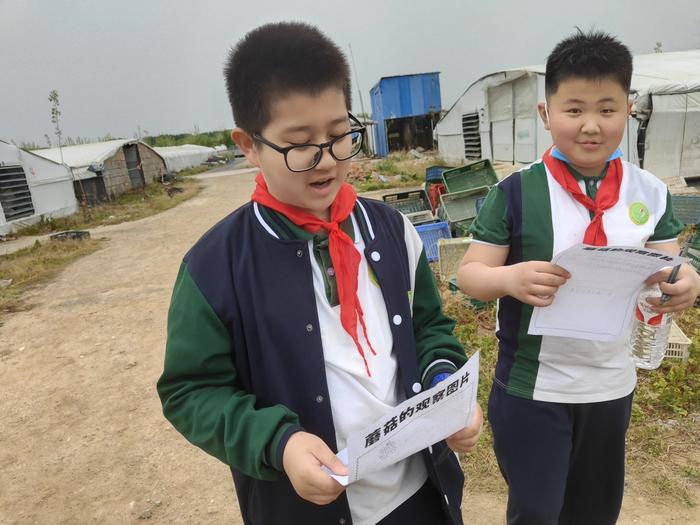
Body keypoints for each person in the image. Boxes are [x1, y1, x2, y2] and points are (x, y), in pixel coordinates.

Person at [157, 21, 482, 525]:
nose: (326, 160)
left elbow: (429, 328)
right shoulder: (215, 267)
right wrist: (279, 444)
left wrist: (444, 385)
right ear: (247, 144)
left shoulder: (392, 231)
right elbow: (190, 392)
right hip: (309, 510)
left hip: (421, 493)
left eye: (338, 135)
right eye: (299, 144)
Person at [457, 30, 700, 525]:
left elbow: (669, 268)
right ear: (546, 114)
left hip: (611, 386)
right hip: (533, 390)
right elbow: (470, 275)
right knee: (539, 512)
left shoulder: (649, 192)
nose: (590, 125)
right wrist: (509, 279)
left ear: (628, 109)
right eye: (573, 110)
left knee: (595, 512)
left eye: (606, 109)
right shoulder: (516, 193)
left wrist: (685, 282)